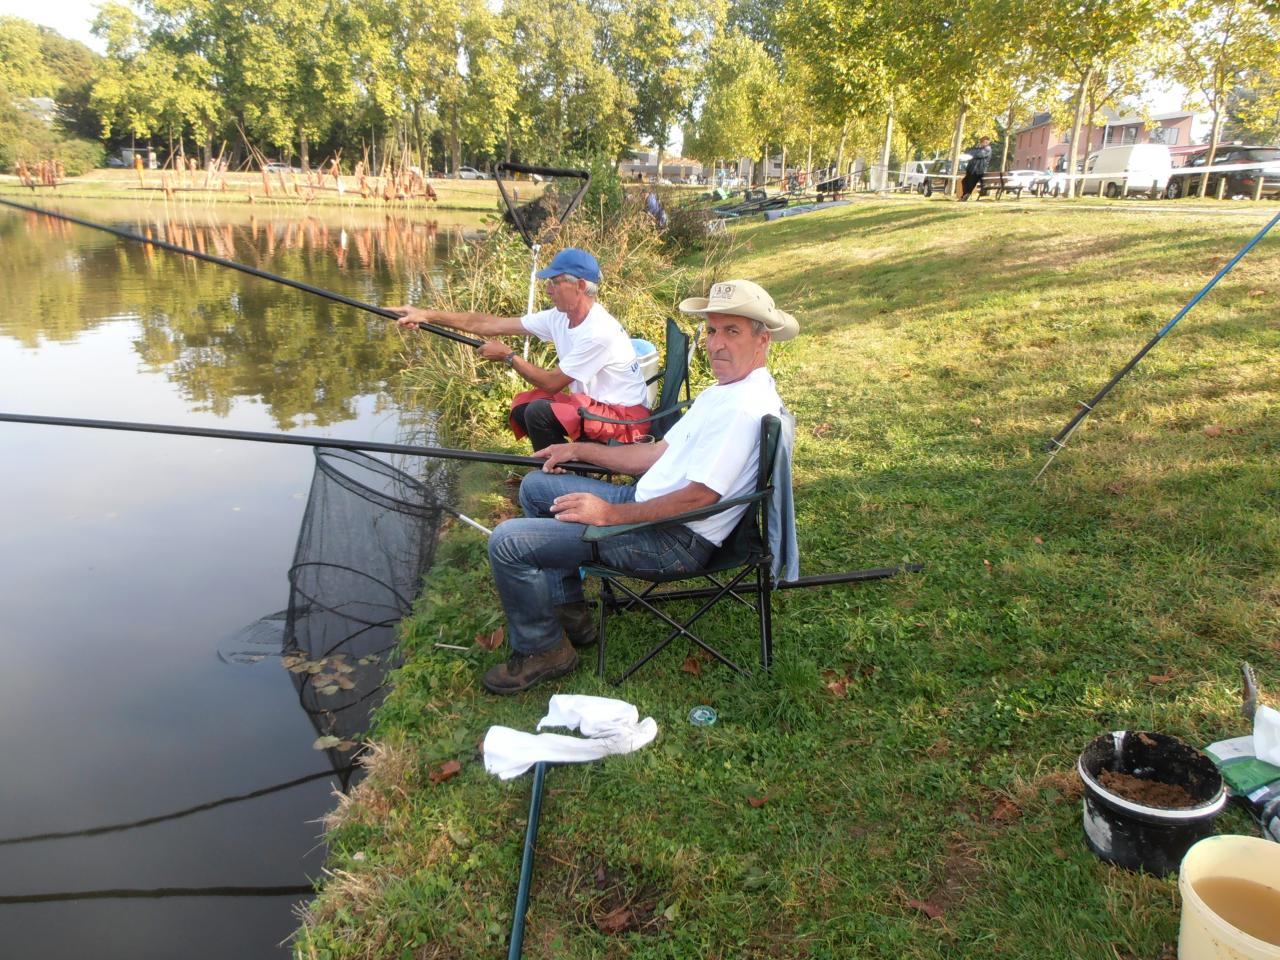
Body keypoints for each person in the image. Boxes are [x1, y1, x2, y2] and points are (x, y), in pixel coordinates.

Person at [478, 279, 799, 695]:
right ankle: (569, 609)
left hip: (672, 542)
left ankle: (543, 650)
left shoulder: (742, 408)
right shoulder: (726, 390)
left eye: (731, 331)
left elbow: (700, 499)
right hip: (651, 506)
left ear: (763, 339)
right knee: (537, 487)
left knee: (507, 543)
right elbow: (655, 454)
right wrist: (578, 452)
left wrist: (609, 515)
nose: (715, 344)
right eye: (712, 330)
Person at [390, 247, 650, 448]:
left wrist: (508, 356)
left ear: (580, 286)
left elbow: (551, 383)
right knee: (525, 407)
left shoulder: (598, 331)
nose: (548, 290)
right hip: (597, 407)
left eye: (555, 283)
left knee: (539, 411)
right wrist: (425, 315)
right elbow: (490, 324)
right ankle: (560, 468)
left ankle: (557, 475)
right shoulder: (560, 316)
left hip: (626, 421)